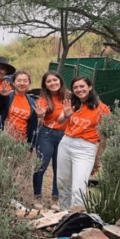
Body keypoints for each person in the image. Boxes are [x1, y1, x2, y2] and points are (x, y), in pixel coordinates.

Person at [56, 76, 110, 211]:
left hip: (86, 147)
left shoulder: (102, 108)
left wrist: (98, 158)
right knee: (62, 183)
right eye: (75, 87)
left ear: (90, 87)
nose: (79, 90)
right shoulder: (72, 104)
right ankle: (64, 214)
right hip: (66, 143)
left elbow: (105, 136)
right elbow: (60, 121)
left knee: (78, 188)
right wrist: (66, 115)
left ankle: (76, 218)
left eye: (82, 86)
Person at [32, 71, 71, 200]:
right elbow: (41, 112)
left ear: (60, 81)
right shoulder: (44, 99)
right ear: (45, 85)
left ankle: (56, 197)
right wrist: (40, 113)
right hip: (47, 134)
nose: (52, 83)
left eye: (55, 80)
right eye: (49, 81)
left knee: (59, 167)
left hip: (65, 136)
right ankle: (37, 195)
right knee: (41, 165)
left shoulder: (69, 96)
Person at [0, 71, 38, 146]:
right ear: (14, 83)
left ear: (29, 83)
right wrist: (2, 97)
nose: (22, 83)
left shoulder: (32, 102)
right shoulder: (8, 97)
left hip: (22, 142)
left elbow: (33, 126)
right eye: (19, 80)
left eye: (25, 81)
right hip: (4, 138)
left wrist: (31, 146)